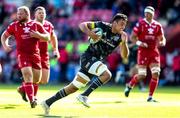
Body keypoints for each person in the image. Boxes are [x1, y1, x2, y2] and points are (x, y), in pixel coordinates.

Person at [41, 13, 129, 115]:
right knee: (107, 75)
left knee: (73, 87)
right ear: (114, 23)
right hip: (88, 57)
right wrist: (90, 33)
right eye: (121, 24)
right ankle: (84, 95)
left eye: (125, 25)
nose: (123, 27)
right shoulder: (102, 25)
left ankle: (47, 102)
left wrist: (124, 43)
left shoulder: (121, 37)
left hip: (96, 62)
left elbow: (124, 55)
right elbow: (82, 25)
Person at [1, 6, 50, 108]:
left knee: (36, 80)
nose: (18, 16)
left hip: (35, 55)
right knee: (28, 75)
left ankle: (23, 90)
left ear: (27, 14)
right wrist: (5, 45)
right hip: (22, 55)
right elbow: (4, 36)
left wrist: (39, 35)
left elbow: (47, 36)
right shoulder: (14, 25)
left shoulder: (36, 25)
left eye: (20, 14)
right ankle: (32, 100)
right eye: (18, 14)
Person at [17, 6, 60, 102]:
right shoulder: (30, 24)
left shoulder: (48, 25)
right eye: (39, 12)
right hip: (32, 54)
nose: (41, 14)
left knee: (44, 80)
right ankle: (33, 97)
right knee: (34, 78)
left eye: (43, 12)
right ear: (34, 15)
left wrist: (55, 49)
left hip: (44, 54)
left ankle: (23, 88)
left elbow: (53, 37)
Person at [124, 6, 166, 102]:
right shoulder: (140, 24)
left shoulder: (157, 25)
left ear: (153, 14)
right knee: (142, 75)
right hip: (143, 52)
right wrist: (140, 43)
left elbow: (162, 37)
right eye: (145, 13)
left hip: (153, 51)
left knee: (156, 73)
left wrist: (163, 42)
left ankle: (150, 97)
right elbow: (132, 37)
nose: (147, 15)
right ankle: (130, 85)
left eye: (149, 13)